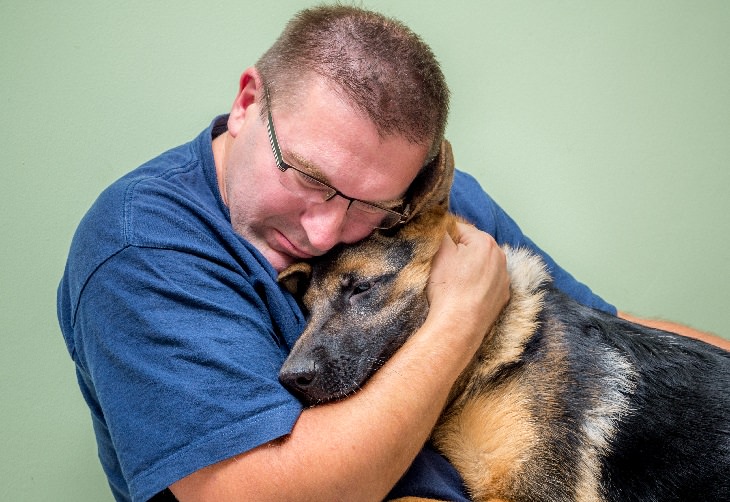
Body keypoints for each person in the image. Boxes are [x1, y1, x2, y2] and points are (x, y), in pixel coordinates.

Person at [57, 5, 728, 502]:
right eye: (309, 178)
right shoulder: (142, 245)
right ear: (246, 101)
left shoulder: (425, 202)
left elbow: (599, 328)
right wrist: (462, 311)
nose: (324, 232)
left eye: (367, 205)